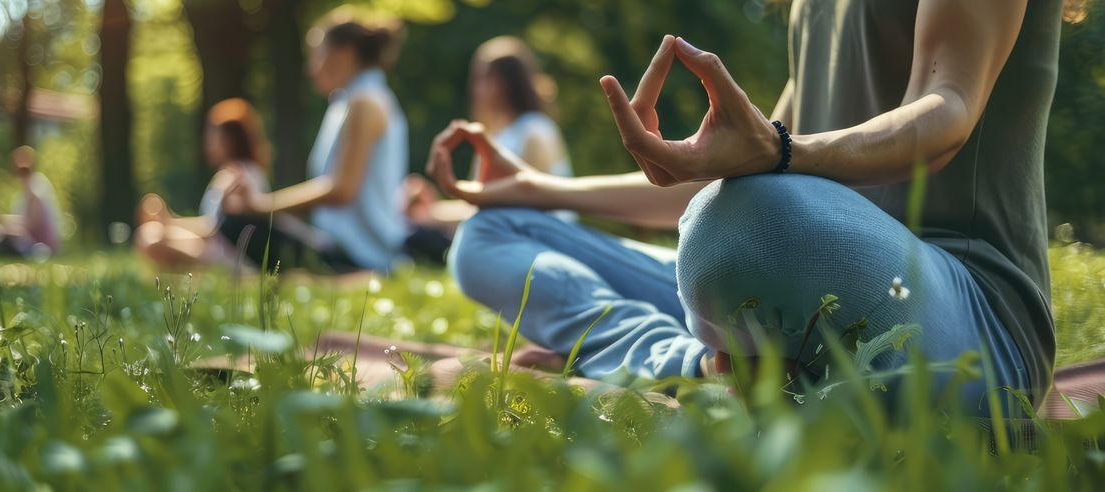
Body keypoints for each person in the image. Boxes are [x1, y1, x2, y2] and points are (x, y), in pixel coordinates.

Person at [430, 1, 1076, 414]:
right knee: (489, 234)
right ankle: (688, 366)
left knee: (737, 227)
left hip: (969, 319)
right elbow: (746, 168)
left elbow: (947, 111)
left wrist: (776, 150)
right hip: (801, 278)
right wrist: (533, 190)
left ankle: (708, 372)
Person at [219, 8, 409, 274]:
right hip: (341, 245)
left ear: (344, 54)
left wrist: (264, 205)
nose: (310, 68)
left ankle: (353, 278)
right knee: (237, 224)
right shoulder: (352, 100)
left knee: (238, 226)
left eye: (317, 55)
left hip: (360, 254)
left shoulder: (364, 102)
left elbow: (342, 189)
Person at [403, 36, 574, 263]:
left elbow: (529, 207)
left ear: (508, 83)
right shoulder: (495, 135)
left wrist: (434, 216)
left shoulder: (534, 131)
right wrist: (431, 211)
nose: (476, 88)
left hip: (539, 246)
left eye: (484, 78)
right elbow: (479, 205)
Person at [135, 99, 326, 269]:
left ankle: (239, 277)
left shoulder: (236, 176)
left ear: (229, 141)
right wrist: (170, 221)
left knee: (151, 238)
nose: (207, 142)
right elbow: (213, 224)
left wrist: (170, 223)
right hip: (220, 248)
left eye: (212, 135)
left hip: (227, 254)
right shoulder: (245, 171)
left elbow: (219, 229)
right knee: (151, 235)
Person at [0, 145, 63, 258]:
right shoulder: (26, 192)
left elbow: (31, 224)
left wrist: (2, 223)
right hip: (32, 240)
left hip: (40, 244)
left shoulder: (36, 188)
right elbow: (23, 220)